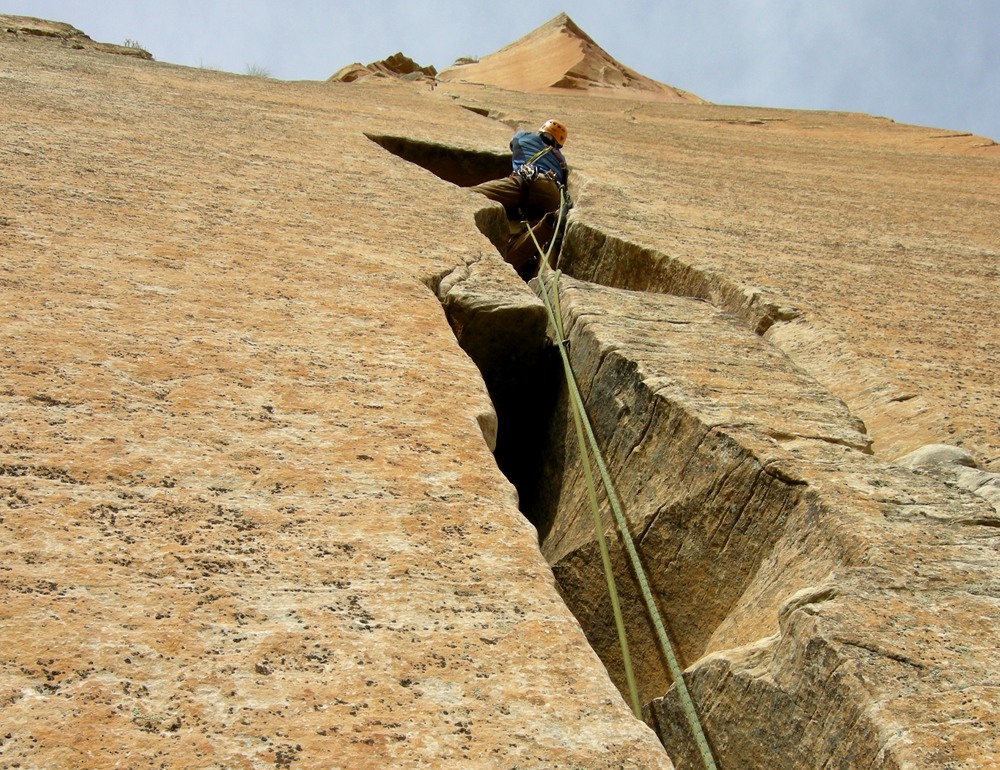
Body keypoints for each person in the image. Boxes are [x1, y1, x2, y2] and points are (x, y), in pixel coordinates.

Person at [471, 119, 570, 279]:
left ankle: (504, 263)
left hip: (526, 180)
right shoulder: (561, 160)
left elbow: (514, 143)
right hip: (551, 193)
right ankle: (545, 225)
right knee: (536, 233)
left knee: (471, 195)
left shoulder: (526, 137)